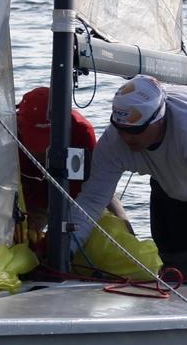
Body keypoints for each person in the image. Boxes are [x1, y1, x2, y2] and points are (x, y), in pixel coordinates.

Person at [68, 75, 187, 281]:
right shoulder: (113, 143)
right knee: (173, 258)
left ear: (159, 119)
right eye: (121, 129)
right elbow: (91, 201)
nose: (127, 138)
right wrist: (66, 247)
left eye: (136, 130)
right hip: (172, 167)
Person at [16, 87, 127, 235]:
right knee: (24, 230)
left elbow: (85, 190)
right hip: (27, 188)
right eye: (35, 140)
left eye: (48, 142)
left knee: (108, 204)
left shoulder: (80, 132)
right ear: (19, 125)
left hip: (73, 182)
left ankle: (131, 247)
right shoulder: (4, 132)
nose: (43, 152)